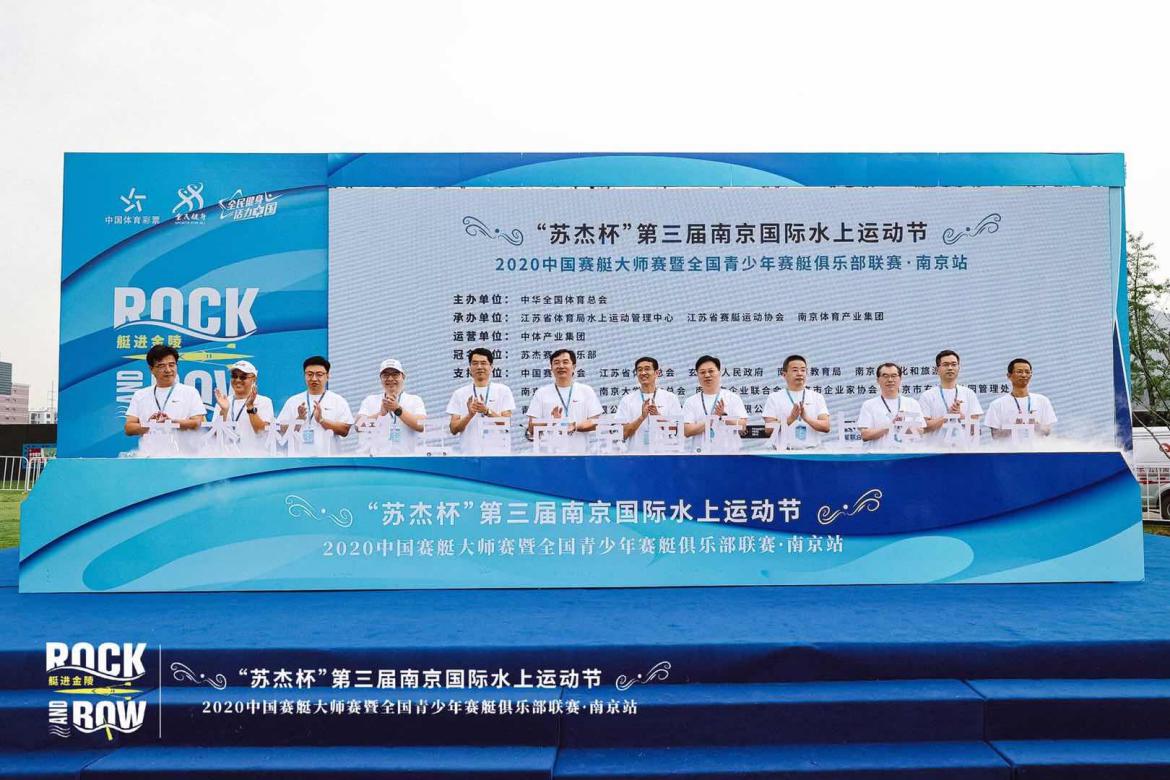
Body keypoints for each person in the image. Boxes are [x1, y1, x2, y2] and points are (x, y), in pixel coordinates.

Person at [123, 344, 207, 454]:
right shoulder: (140, 395)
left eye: (171, 365)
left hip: (183, 456)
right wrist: (150, 425)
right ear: (151, 369)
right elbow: (129, 428)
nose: (168, 370)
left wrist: (171, 423)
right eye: (161, 366)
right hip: (148, 456)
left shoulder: (190, 392)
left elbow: (197, 423)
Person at [526, 348, 602, 453]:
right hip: (548, 455)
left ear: (573, 367)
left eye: (565, 362)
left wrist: (575, 426)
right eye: (556, 363)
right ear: (551, 368)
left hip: (581, 454)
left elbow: (595, 422)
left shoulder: (586, 391)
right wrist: (552, 421)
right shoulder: (541, 393)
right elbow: (531, 427)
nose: (561, 366)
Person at [276, 356, 353, 455]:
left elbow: (345, 430)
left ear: (328, 376)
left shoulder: (338, 401)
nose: (314, 378)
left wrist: (321, 420)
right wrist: (299, 420)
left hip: (329, 458)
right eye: (309, 374)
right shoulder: (293, 401)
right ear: (304, 376)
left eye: (319, 374)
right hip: (298, 459)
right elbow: (280, 430)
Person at [446, 348, 515, 453]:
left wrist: (486, 411)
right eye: (475, 363)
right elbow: (453, 429)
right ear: (470, 368)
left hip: (498, 454)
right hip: (469, 454)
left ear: (491, 367)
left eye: (483, 363)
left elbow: (506, 424)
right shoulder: (459, 393)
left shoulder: (503, 390)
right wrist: (470, 415)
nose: (479, 367)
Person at [614, 356, 684, 453]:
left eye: (647, 369)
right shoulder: (627, 400)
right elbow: (621, 434)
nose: (643, 373)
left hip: (664, 455)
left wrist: (657, 417)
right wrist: (642, 417)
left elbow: (678, 431)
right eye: (639, 370)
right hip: (636, 455)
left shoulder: (670, 398)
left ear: (656, 373)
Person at [356, 359, 427, 453]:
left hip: (406, 457)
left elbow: (421, 425)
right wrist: (381, 414)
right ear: (380, 378)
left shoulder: (414, 400)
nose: (390, 378)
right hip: (377, 458)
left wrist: (397, 409)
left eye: (395, 374)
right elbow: (358, 426)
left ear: (403, 377)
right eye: (385, 375)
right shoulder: (370, 400)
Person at [762, 354, 831, 449]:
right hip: (784, 452)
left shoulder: (817, 397)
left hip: (812, 452)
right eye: (795, 370)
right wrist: (790, 419)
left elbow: (826, 427)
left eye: (803, 370)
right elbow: (768, 430)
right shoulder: (774, 397)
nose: (799, 373)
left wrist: (807, 418)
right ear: (784, 374)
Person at [682, 355, 748, 447]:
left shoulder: (732, 398)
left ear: (719, 372)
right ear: (697, 375)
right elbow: (687, 431)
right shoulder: (691, 401)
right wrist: (712, 419)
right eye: (702, 372)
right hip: (700, 453)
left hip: (728, 453)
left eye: (711, 371)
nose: (707, 375)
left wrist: (723, 416)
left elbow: (743, 427)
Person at [918, 350, 984, 442]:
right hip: (936, 449)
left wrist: (960, 415)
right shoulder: (927, 395)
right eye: (945, 365)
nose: (950, 368)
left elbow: (976, 430)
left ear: (958, 367)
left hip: (963, 449)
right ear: (937, 369)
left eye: (954, 364)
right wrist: (948, 416)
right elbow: (923, 428)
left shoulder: (969, 393)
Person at [213, 360, 275, 455]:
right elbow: (215, 436)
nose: (238, 380)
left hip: (255, 457)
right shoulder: (223, 402)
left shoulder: (264, 401)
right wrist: (224, 411)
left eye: (243, 377)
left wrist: (250, 407)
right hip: (228, 458)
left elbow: (262, 433)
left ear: (254, 379)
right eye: (234, 376)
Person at [857, 362, 926, 448]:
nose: (890, 380)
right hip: (880, 454)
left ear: (900, 379)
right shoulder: (869, 405)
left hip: (906, 453)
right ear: (878, 380)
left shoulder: (912, 403)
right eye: (885, 376)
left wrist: (903, 426)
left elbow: (921, 431)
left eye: (894, 376)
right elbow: (865, 435)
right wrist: (890, 426)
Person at [984, 358, 1057, 438]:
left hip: (1037, 446)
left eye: (1027, 372)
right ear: (1009, 376)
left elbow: (1047, 431)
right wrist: (1014, 426)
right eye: (1019, 372)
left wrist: (1036, 426)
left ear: (1031, 375)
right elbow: (995, 435)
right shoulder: (997, 404)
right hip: (1010, 446)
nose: (1024, 375)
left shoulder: (1042, 400)